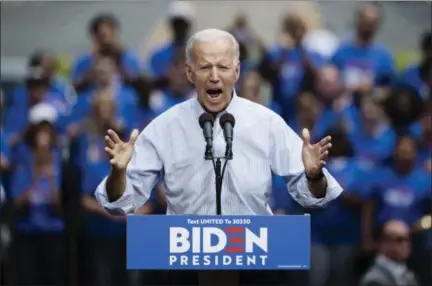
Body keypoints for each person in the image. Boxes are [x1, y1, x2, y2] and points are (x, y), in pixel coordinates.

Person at [95, 28, 343, 286]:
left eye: (223, 67)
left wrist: (314, 175)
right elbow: (118, 202)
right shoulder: (164, 126)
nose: (214, 77)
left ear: (236, 71)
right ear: (190, 73)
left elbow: (315, 195)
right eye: (204, 68)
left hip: (255, 264)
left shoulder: (266, 122)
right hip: (185, 266)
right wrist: (118, 174)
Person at [359, 220, 419, 286]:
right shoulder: (374, 280)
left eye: (408, 239)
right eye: (399, 240)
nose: (406, 244)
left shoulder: (409, 276)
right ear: (383, 244)